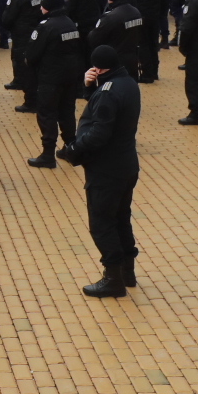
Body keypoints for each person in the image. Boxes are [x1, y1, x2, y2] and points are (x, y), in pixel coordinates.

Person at [58, 46, 141, 298]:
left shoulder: (108, 92)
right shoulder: (127, 83)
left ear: (98, 68)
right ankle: (127, 272)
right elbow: (103, 113)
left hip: (106, 170)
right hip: (126, 165)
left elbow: (99, 132)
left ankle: (112, 278)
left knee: (102, 223)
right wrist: (89, 88)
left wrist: (73, 149)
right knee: (120, 218)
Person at [23, 0, 86, 165]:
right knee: (67, 111)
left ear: (48, 7)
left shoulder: (45, 26)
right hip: (70, 76)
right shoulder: (70, 23)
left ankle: (48, 154)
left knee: (47, 113)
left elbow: (32, 54)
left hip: (50, 78)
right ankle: (70, 148)